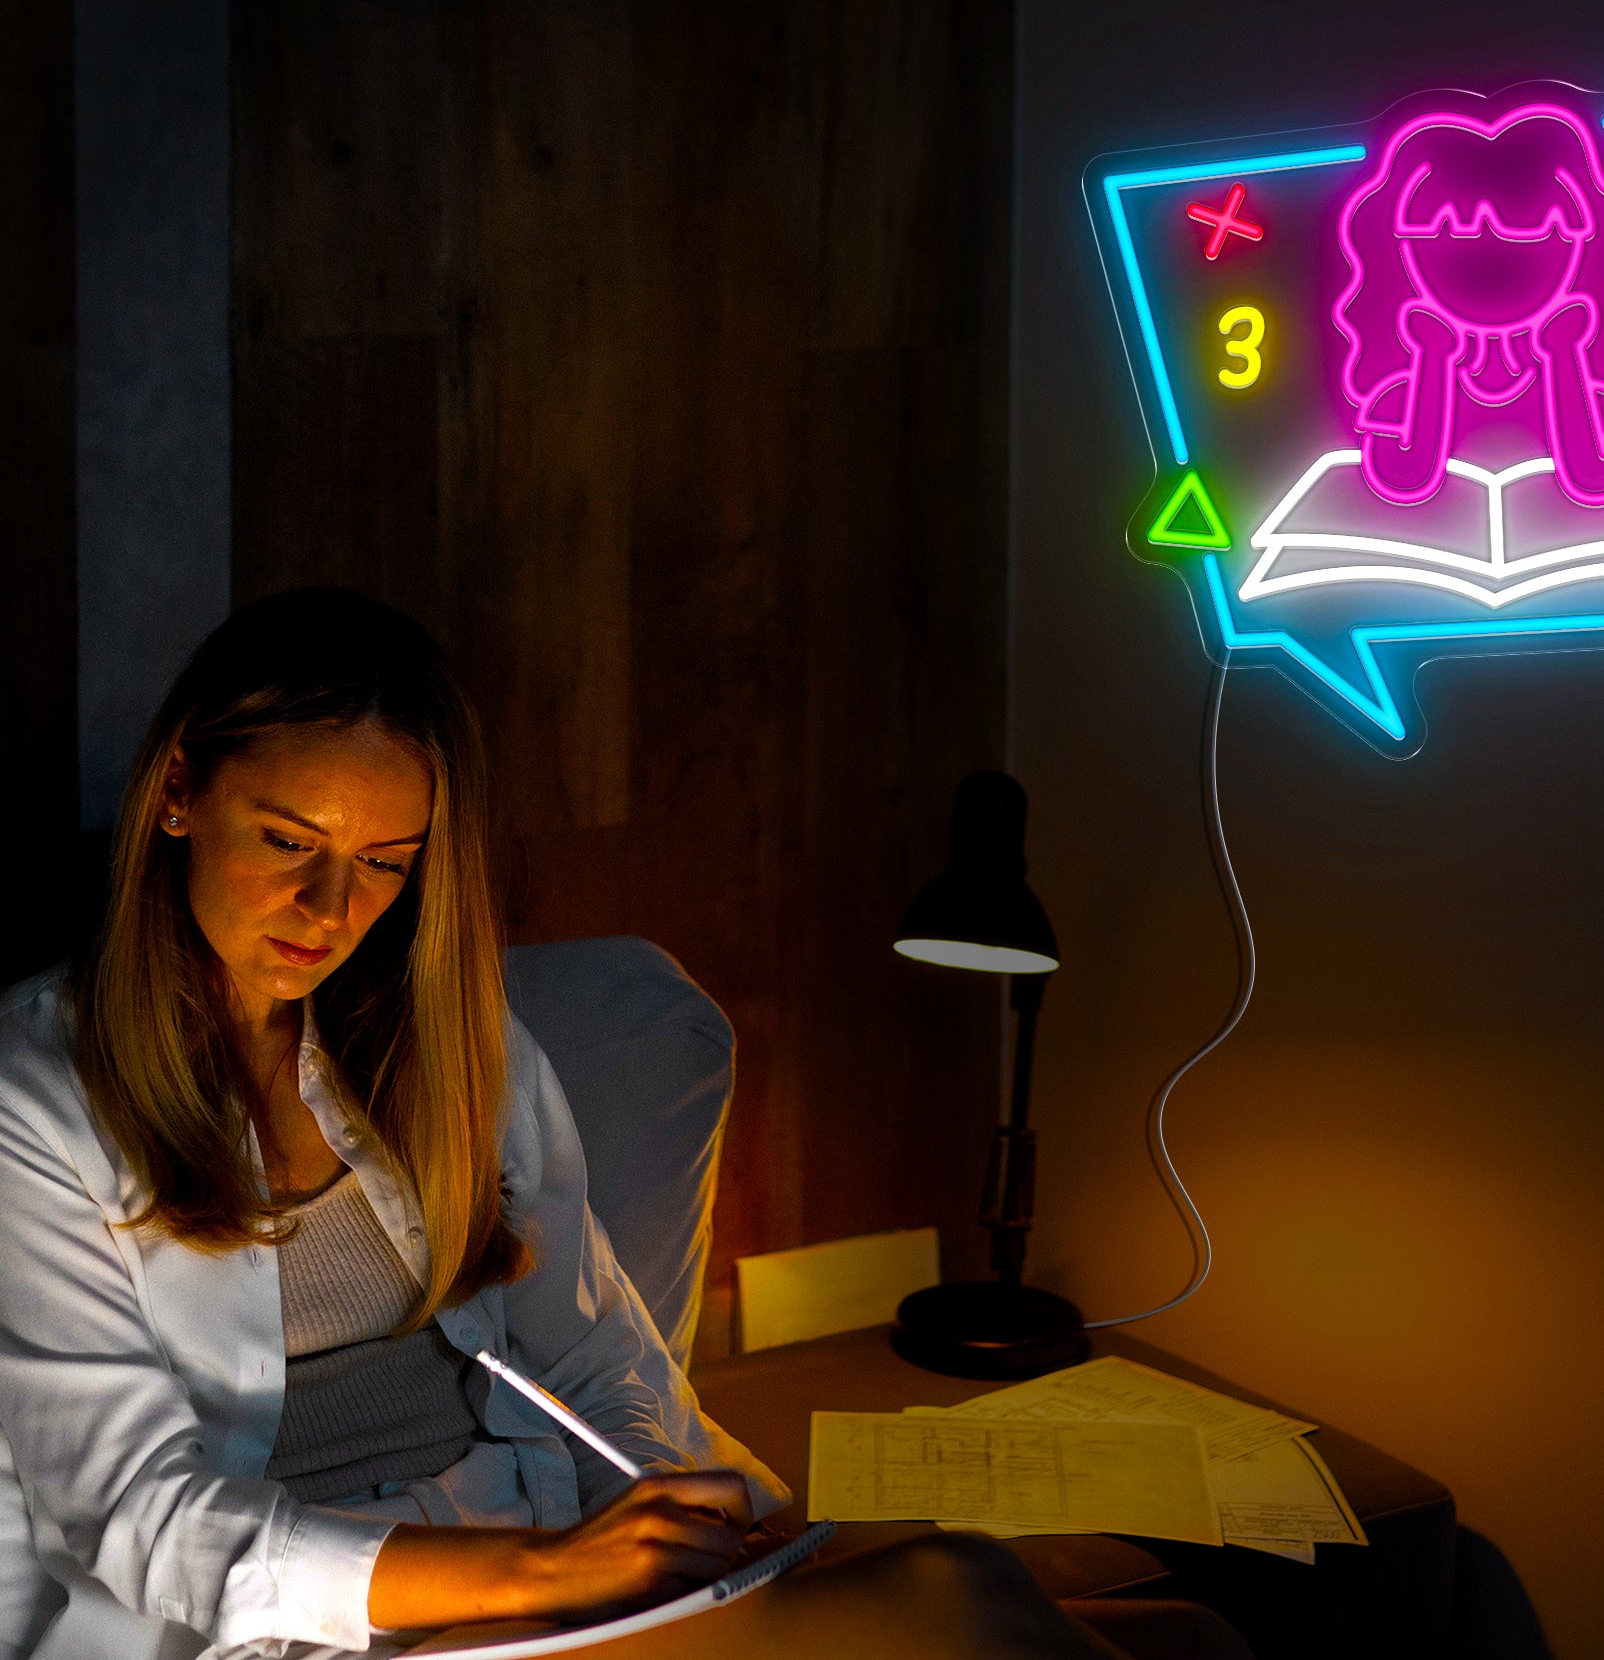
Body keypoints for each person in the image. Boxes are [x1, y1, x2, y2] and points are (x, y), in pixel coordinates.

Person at [0, 590, 1215, 1659]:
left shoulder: (448, 1049)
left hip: (531, 1541)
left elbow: (592, 1356)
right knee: (957, 1589)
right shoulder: (35, 1098)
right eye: (288, 841)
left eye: (383, 861)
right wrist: (551, 1572)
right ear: (176, 794)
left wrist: (714, 1512)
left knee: (1182, 1628)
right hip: (314, 1623)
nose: (331, 906)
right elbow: (137, 1512)